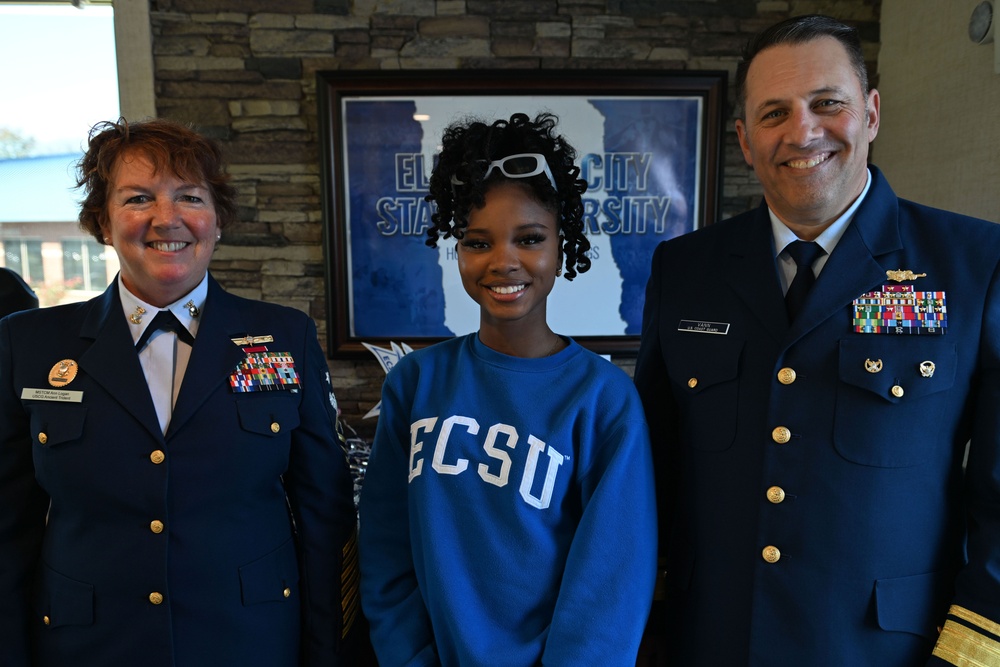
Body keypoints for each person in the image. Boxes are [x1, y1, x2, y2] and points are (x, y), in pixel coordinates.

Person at [634, 14, 1000, 667]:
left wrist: (972, 653)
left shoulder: (973, 264)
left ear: (872, 113)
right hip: (712, 644)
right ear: (745, 140)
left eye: (827, 104)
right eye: (774, 113)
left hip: (889, 653)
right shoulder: (685, 271)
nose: (803, 132)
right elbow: (653, 472)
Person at [0, 118, 358, 667]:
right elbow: (9, 529)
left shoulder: (286, 337)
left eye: (190, 197)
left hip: (251, 642)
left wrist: (324, 654)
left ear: (217, 220)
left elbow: (323, 517)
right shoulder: (29, 343)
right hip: (87, 647)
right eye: (138, 198)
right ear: (102, 221)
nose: (166, 219)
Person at [359, 112, 658, 666]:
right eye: (478, 242)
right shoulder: (417, 384)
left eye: (530, 239)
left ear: (562, 245)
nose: (504, 262)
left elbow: (610, 587)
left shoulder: (603, 400)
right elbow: (386, 547)